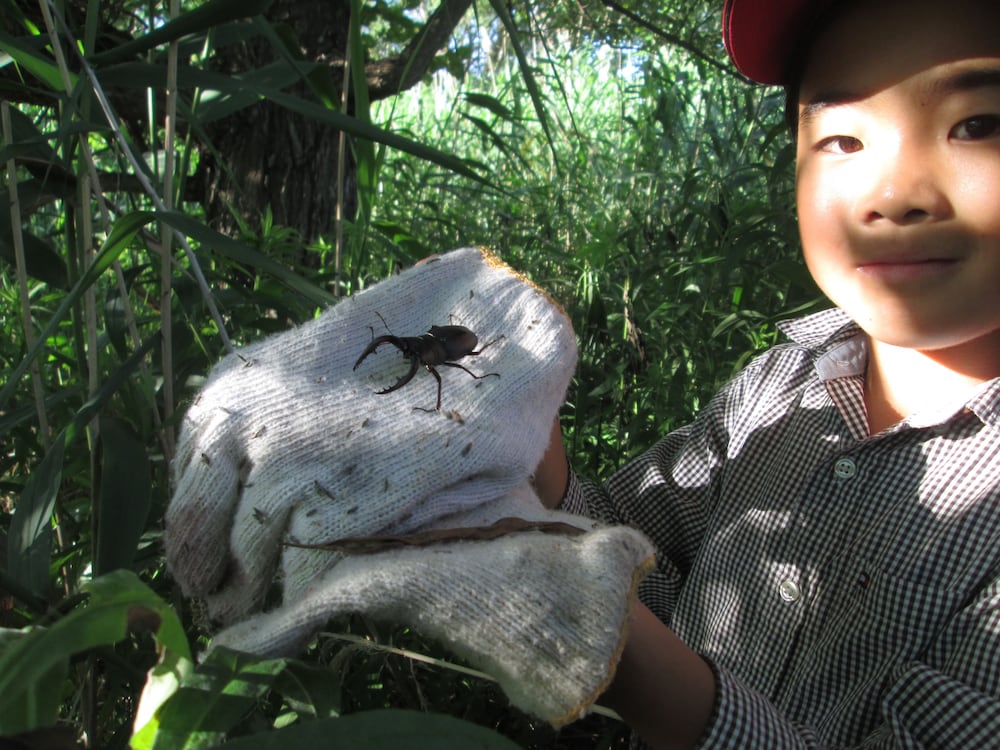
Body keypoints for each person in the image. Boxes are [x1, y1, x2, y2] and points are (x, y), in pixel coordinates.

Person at [531, 0, 1000, 746]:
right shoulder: (774, 390)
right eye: (843, 139)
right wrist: (537, 465)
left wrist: (638, 666)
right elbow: (630, 550)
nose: (893, 196)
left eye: (976, 125)